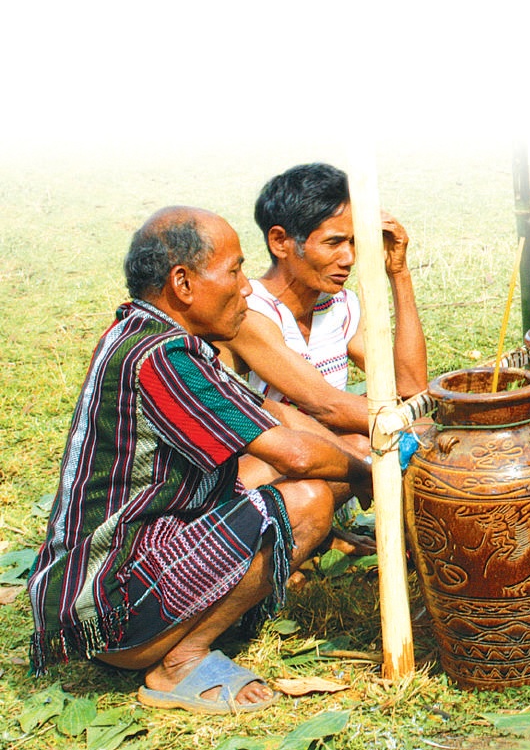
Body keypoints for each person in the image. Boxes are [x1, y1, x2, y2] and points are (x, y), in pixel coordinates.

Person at [28, 206, 374, 714]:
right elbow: (296, 453)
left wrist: (364, 456)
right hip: (107, 609)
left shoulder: (148, 336)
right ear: (183, 284)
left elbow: (272, 411)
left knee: (328, 464)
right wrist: (371, 474)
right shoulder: (163, 358)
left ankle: (190, 620)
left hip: (110, 576)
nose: (248, 287)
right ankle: (180, 660)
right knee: (305, 499)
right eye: (234, 271)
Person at [216, 163, 428, 544]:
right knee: (385, 439)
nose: (348, 258)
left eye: (353, 242)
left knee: (376, 439)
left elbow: (411, 385)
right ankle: (281, 545)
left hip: (312, 455)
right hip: (249, 473)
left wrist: (399, 273)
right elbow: (326, 405)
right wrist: (418, 423)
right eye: (333, 243)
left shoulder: (340, 306)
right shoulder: (250, 311)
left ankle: (317, 534)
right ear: (281, 242)